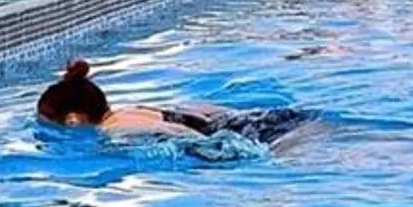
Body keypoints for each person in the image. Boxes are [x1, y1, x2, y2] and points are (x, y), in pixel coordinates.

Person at [34, 61, 308, 149]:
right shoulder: (129, 110)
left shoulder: (115, 131)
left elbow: (181, 134)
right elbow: (194, 109)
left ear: (73, 120)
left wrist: (221, 148)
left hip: (251, 137)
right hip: (248, 121)